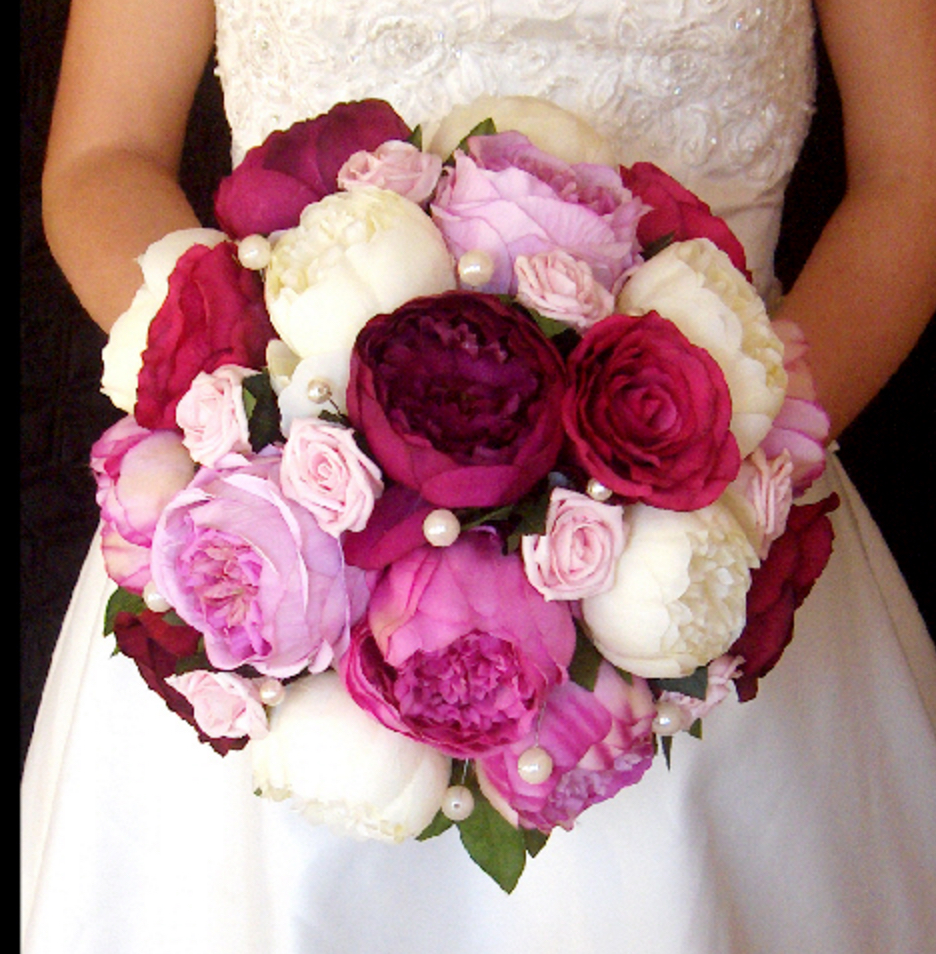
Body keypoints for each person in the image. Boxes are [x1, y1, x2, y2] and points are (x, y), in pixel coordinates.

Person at [23, 1, 936, 952]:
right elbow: (105, 155)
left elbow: (912, 176)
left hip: (708, 545)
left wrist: (724, 450)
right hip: (286, 531)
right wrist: (262, 415)